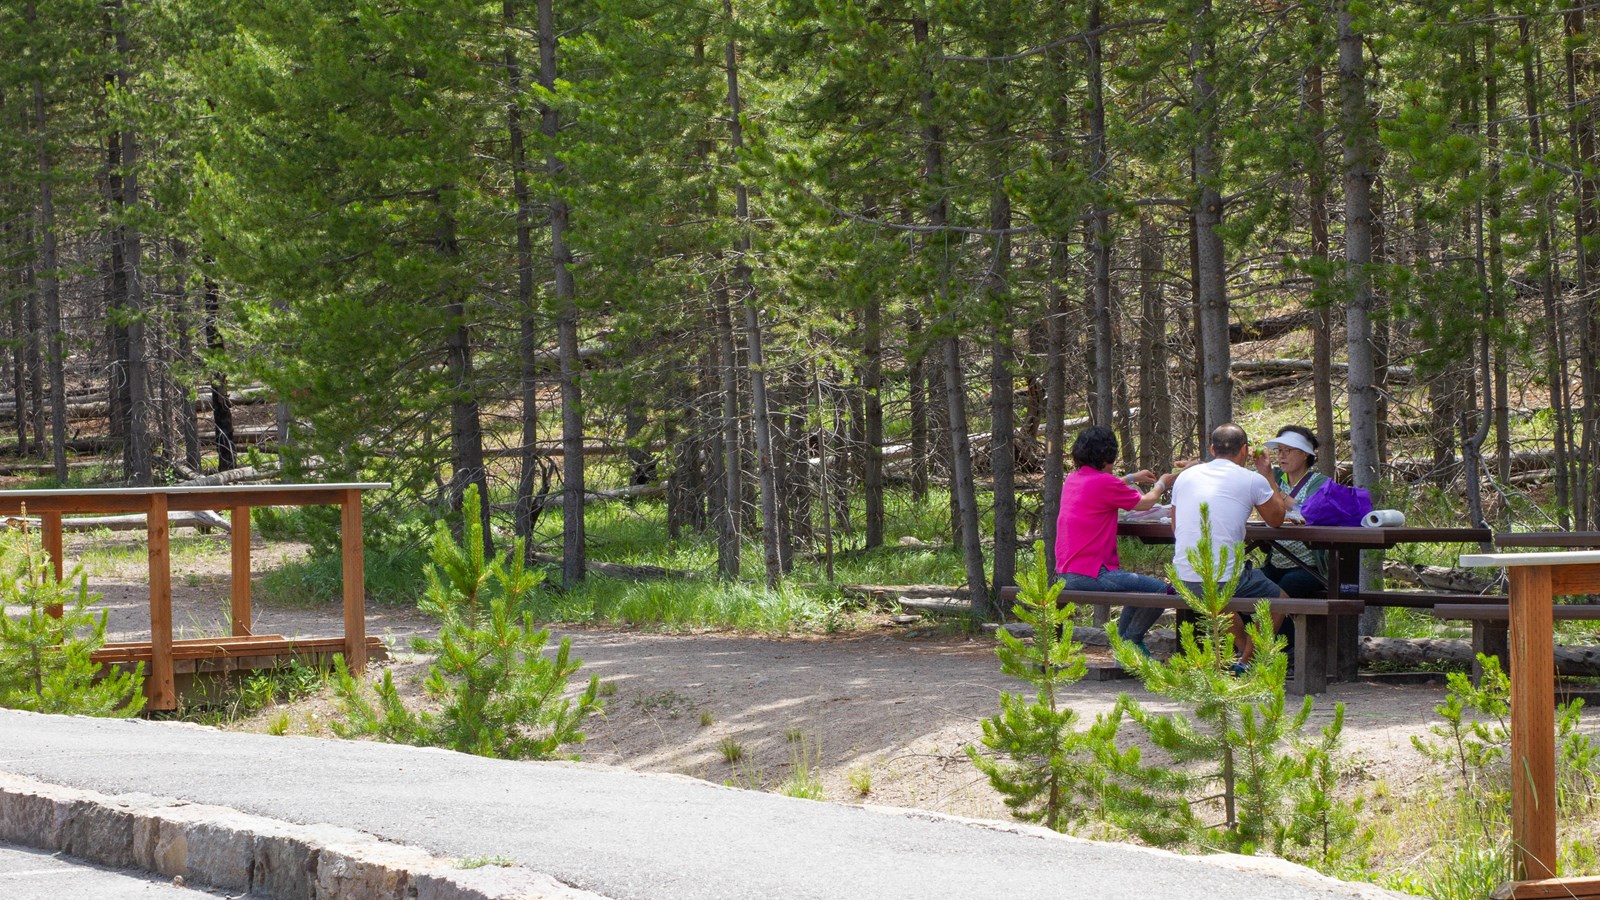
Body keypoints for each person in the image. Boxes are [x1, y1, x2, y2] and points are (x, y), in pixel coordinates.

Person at [1168, 423, 1289, 660]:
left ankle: (1243, 657)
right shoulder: (1253, 480)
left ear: (1212, 450)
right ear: (1244, 450)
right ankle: (1248, 659)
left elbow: (1175, 527)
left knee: (1219, 599)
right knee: (1281, 601)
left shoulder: (1185, 477)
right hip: (1223, 575)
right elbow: (1276, 519)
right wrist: (1267, 475)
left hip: (1184, 573)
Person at [1055, 426, 1177, 654]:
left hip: (1066, 572)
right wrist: (1163, 483)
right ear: (1107, 456)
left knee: (1138, 589)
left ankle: (1124, 646)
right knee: (1163, 590)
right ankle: (1128, 643)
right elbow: (1144, 503)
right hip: (1093, 574)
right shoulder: (1104, 484)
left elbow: (1102, 486)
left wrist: (1132, 477)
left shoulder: (1073, 480)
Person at [1258, 425, 1330, 598]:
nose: (1281, 455)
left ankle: (1276, 625)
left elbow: (1306, 512)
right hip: (1275, 563)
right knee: (1246, 587)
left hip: (1309, 567)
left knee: (1284, 589)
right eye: (1279, 450)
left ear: (1305, 454)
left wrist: (1272, 486)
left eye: (1288, 450)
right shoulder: (1275, 476)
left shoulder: (1320, 482)